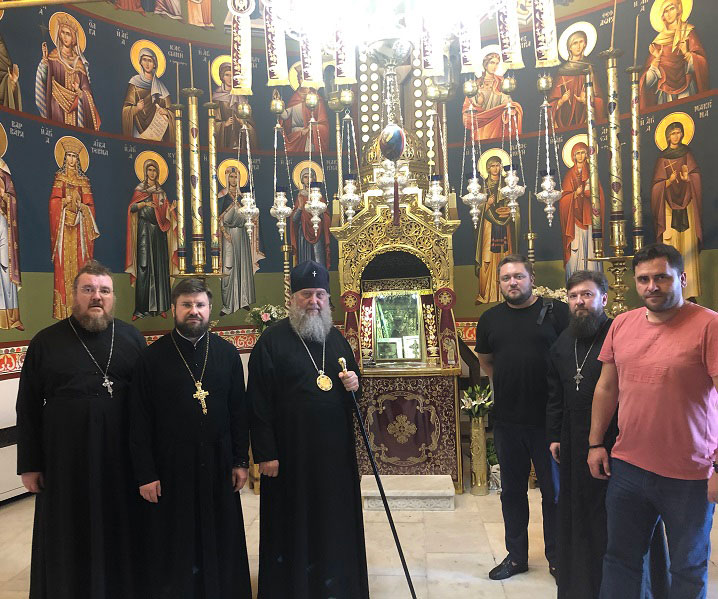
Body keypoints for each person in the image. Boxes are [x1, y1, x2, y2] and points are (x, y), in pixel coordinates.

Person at [588, 243, 718, 598]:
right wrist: (596, 443)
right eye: (643, 279)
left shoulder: (709, 325)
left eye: (662, 277)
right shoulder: (622, 324)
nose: (652, 286)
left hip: (689, 474)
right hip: (628, 467)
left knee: (687, 567)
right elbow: (607, 387)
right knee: (621, 559)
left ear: (682, 278)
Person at [16, 260, 147, 599]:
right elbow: (28, 406)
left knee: (119, 525)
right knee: (68, 527)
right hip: (65, 460)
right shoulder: (46, 342)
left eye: (104, 290)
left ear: (113, 297)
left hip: (120, 457)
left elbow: (147, 404)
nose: (96, 297)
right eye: (88, 289)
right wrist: (29, 464)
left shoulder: (132, 338)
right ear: (74, 295)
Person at [248, 260, 369, 598]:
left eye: (320, 295)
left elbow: (354, 391)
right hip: (290, 457)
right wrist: (265, 453)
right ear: (292, 298)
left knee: (333, 520)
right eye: (306, 294)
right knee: (295, 522)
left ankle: (336, 584)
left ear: (327, 300)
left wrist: (355, 384)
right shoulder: (271, 342)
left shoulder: (337, 339)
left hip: (334, 458)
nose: (314, 301)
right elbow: (257, 402)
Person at [130, 278, 251, 599]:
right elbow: (139, 421)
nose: (193, 311)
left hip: (218, 462)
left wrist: (240, 460)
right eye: (186, 305)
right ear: (174, 309)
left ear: (210, 309)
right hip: (171, 466)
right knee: (176, 536)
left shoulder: (226, 354)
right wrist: (145, 473)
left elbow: (239, 412)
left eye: (200, 305)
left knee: (220, 532)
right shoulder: (151, 358)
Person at [475, 254, 569, 581]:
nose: (512, 282)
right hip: (508, 421)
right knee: (512, 493)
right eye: (506, 278)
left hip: (549, 421)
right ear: (499, 283)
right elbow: (486, 360)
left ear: (531, 278)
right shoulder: (490, 319)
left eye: (518, 276)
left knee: (554, 494)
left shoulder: (558, 313)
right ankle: (516, 557)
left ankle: (558, 558)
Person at [651, 120, 702, 299]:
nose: (676, 136)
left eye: (679, 132)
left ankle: (690, 293)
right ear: (667, 137)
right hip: (668, 208)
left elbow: (696, 176)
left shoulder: (687, 154)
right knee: (670, 247)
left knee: (688, 247)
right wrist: (669, 181)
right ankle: (670, 291)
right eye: (673, 133)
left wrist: (688, 178)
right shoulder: (662, 158)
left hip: (687, 206)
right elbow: (656, 187)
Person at [49, 138, 99, 320]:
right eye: (69, 155)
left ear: (78, 159)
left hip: (79, 231)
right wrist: (64, 202)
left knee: (81, 266)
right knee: (63, 267)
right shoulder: (60, 178)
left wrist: (81, 207)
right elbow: (53, 203)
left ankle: (82, 309)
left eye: (74, 156)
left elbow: (90, 206)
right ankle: (63, 310)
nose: (71, 159)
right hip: (64, 231)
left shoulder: (83, 181)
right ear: (64, 158)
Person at [125, 157, 178, 319]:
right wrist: (144, 204)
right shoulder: (140, 189)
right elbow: (132, 208)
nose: (152, 173)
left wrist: (171, 210)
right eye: (149, 170)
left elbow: (165, 213)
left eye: (155, 170)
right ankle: (140, 309)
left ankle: (161, 307)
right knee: (144, 266)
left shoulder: (161, 192)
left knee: (160, 267)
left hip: (159, 233)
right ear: (145, 171)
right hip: (144, 231)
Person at [639, 0, 709, 109]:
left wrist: (687, 54)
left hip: (686, 88)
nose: (669, 13)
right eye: (665, 11)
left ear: (678, 10)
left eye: (672, 8)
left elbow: (702, 63)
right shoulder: (658, 43)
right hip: (665, 94)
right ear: (662, 16)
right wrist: (656, 62)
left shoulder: (688, 33)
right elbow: (646, 82)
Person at [35, 14, 101, 130]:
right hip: (57, 106)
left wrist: (79, 92)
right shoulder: (53, 56)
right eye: (63, 32)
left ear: (74, 38)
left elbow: (87, 91)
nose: (65, 37)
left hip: (76, 109)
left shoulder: (79, 63)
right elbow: (45, 81)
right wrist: (45, 61)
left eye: (68, 34)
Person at [218, 169, 263, 315]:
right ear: (226, 178)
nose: (234, 179)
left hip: (242, 234)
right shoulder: (222, 196)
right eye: (231, 176)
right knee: (228, 267)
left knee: (243, 266)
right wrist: (224, 232)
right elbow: (217, 218)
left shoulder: (244, 197)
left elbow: (253, 217)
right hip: (228, 236)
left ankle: (243, 300)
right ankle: (227, 305)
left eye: (236, 177)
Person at [559, 141, 605, 280]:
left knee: (590, 248)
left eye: (583, 152)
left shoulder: (592, 172)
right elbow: (563, 200)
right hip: (574, 220)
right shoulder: (569, 175)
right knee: (576, 249)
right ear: (573, 156)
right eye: (577, 153)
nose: (580, 156)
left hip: (589, 217)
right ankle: (576, 280)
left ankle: (593, 281)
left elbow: (599, 196)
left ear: (587, 154)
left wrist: (590, 193)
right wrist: (575, 194)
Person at [475, 156, 518, 304]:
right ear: (487, 168)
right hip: (488, 225)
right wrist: (487, 203)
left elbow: (514, 204)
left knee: (506, 256)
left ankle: (507, 294)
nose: (495, 168)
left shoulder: (507, 184)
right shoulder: (482, 186)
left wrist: (510, 210)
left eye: (498, 165)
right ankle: (486, 294)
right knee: (486, 258)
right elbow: (477, 208)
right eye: (492, 166)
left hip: (505, 225)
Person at [549, 29, 604, 128]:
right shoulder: (562, 71)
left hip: (586, 121)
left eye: (581, 42)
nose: (578, 46)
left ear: (585, 44)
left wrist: (586, 100)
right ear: (569, 47)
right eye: (575, 43)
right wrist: (561, 101)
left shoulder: (590, 68)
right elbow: (551, 104)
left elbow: (599, 100)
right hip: (564, 122)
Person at [462, 52, 523, 141]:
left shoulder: (501, 82)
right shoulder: (475, 84)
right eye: (492, 63)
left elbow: (506, 101)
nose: (494, 66)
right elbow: (468, 107)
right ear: (485, 64)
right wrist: (479, 104)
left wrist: (510, 109)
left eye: (497, 63)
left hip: (497, 124)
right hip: (481, 126)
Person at [122, 47, 174, 143]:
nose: (147, 64)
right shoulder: (134, 83)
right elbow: (125, 110)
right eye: (144, 60)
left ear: (154, 64)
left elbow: (172, 111)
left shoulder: (161, 87)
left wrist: (166, 112)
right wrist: (137, 108)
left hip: (157, 131)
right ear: (140, 62)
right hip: (138, 132)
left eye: (150, 61)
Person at [280, 67, 330, 153]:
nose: (300, 80)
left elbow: (323, 123)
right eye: (299, 78)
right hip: (296, 135)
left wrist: (310, 129)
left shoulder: (317, 98)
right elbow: (285, 116)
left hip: (309, 135)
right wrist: (278, 106)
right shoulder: (295, 97)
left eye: (302, 77)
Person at [0, 158, 22, 330]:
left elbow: (10, 195)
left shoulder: (3, 171)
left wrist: (4, 195)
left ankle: (11, 317)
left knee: (6, 267)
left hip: (1, 222)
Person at [290, 172, 331, 267]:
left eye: (310, 177)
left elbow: (326, 217)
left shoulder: (319, 197)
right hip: (303, 232)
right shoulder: (300, 197)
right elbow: (294, 219)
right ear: (301, 180)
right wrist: (300, 208)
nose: (308, 179)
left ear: (314, 178)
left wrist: (320, 213)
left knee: (319, 261)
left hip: (318, 231)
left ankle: (320, 275)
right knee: (305, 261)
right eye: (305, 177)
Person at [214, 63, 257, 151]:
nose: (230, 78)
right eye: (227, 75)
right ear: (222, 77)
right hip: (224, 144)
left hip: (240, 144)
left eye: (232, 75)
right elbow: (212, 124)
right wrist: (224, 124)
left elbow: (252, 127)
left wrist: (243, 123)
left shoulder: (242, 99)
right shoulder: (216, 98)